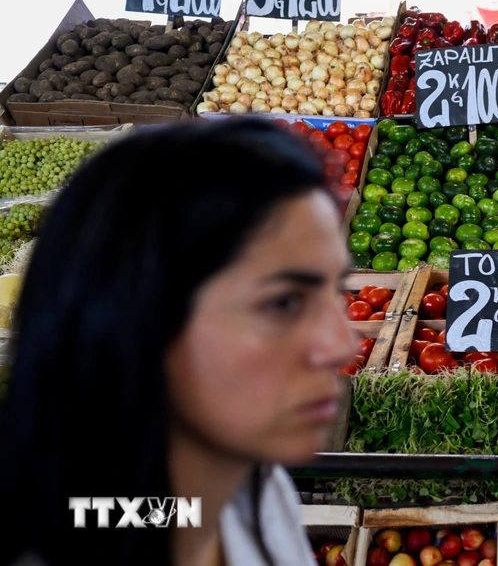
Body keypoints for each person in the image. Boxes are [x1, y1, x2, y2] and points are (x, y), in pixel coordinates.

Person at [0, 118, 358, 566]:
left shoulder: (247, 488)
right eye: (283, 303)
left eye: (337, 291)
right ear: (134, 317)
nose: (343, 346)